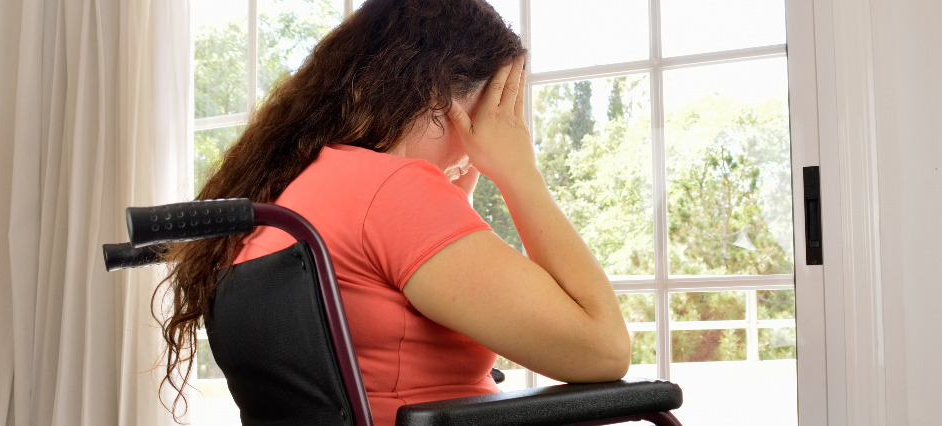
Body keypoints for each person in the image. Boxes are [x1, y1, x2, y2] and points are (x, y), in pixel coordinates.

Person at [160, 0, 630, 423]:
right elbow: (603, 351)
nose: (493, 135)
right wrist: (519, 173)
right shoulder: (392, 191)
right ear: (438, 95)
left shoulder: (292, 189)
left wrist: (455, 191)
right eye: (495, 113)